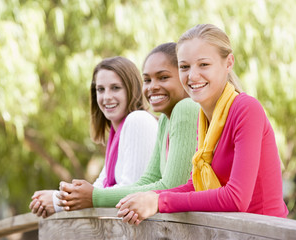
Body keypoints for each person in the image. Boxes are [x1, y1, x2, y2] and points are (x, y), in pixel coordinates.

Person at [117, 24, 289, 225]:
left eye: (204, 64)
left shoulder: (246, 109)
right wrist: (145, 198)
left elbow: (236, 198)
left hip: (264, 231)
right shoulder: (205, 117)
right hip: (230, 231)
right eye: (184, 67)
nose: (192, 76)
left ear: (229, 63)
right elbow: (194, 185)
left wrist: (159, 200)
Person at [56, 42, 199, 213]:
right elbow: (148, 179)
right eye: (147, 80)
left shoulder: (186, 108)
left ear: (185, 76)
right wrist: (86, 195)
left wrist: (95, 197)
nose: (152, 86)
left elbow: (172, 186)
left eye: (163, 77)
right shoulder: (164, 120)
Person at [29, 56, 158, 218]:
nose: (106, 97)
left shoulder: (138, 120)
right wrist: (58, 198)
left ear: (132, 89)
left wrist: (56, 201)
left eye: (116, 88)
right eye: (100, 89)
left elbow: (132, 190)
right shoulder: (116, 135)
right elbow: (98, 188)